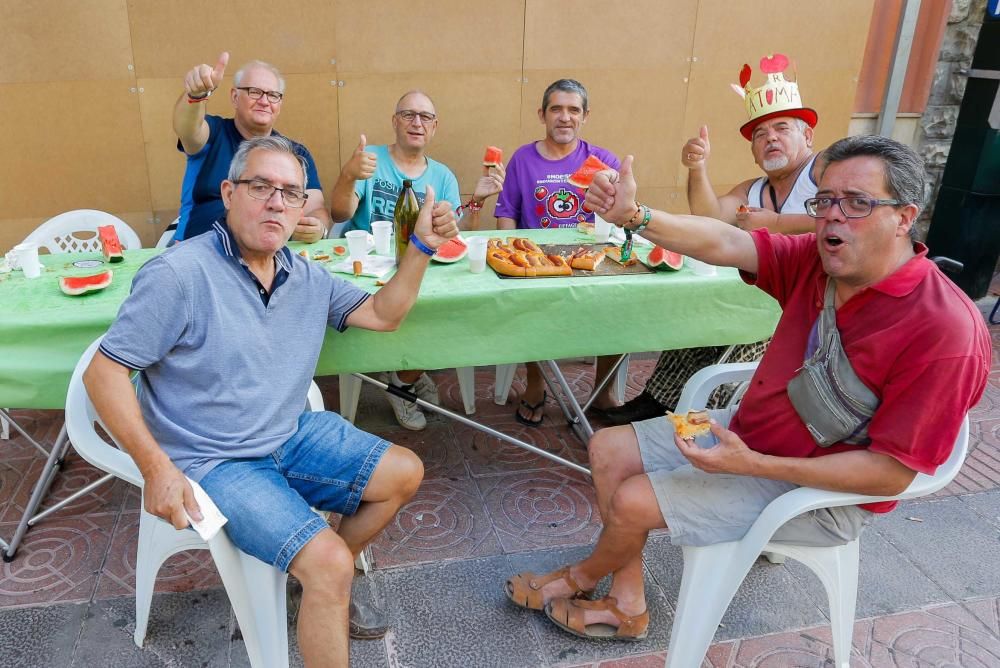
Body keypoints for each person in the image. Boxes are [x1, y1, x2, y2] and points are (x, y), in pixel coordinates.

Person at [503, 134, 990, 641]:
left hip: (821, 493)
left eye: (857, 203)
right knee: (607, 446)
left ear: (904, 217)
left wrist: (750, 465)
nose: (832, 217)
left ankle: (580, 577)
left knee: (630, 502)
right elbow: (723, 241)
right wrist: (635, 216)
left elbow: (890, 475)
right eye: (824, 201)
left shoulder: (944, 330)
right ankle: (628, 604)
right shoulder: (820, 263)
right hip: (750, 437)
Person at [84, 135, 459, 664]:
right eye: (262, 186)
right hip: (215, 461)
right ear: (230, 192)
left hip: (288, 434)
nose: (277, 201)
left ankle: (324, 581)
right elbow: (104, 372)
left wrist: (420, 247)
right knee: (326, 561)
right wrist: (156, 468)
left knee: (403, 472)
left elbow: (384, 314)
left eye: (291, 191)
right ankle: (327, 574)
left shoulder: (305, 276)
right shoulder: (179, 274)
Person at [600, 53, 825, 425]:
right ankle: (657, 402)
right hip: (745, 297)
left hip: (798, 309)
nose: (770, 138)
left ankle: (699, 425)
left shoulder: (825, 170)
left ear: (808, 136)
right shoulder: (751, 189)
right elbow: (710, 217)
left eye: (782, 128)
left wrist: (777, 222)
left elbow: (847, 223)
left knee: (735, 344)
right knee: (696, 326)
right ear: (752, 152)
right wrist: (697, 168)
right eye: (759, 135)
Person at [329, 90, 505, 430]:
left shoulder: (443, 176)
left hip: (424, 267)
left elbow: (457, 236)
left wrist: (478, 201)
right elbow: (340, 212)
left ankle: (402, 379)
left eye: (425, 117)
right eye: (408, 114)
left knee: (452, 314)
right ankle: (408, 375)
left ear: (435, 126)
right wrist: (349, 175)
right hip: (370, 273)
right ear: (395, 121)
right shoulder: (372, 159)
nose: (416, 122)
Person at [494, 78, 622, 426]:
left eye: (573, 110)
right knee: (531, 308)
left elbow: (622, 213)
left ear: (585, 116)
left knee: (621, 304)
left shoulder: (600, 160)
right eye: (556, 109)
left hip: (590, 261)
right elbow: (506, 211)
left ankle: (604, 391)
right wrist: (508, 262)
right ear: (542, 114)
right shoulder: (523, 158)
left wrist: (618, 185)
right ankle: (535, 386)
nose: (564, 117)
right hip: (538, 262)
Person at [171, 52, 331, 243]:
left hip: (271, 258)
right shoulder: (213, 134)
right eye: (254, 92)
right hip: (199, 251)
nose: (264, 101)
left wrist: (319, 228)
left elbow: (315, 209)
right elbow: (186, 128)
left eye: (273, 95)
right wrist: (196, 95)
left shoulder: (295, 154)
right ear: (235, 97)